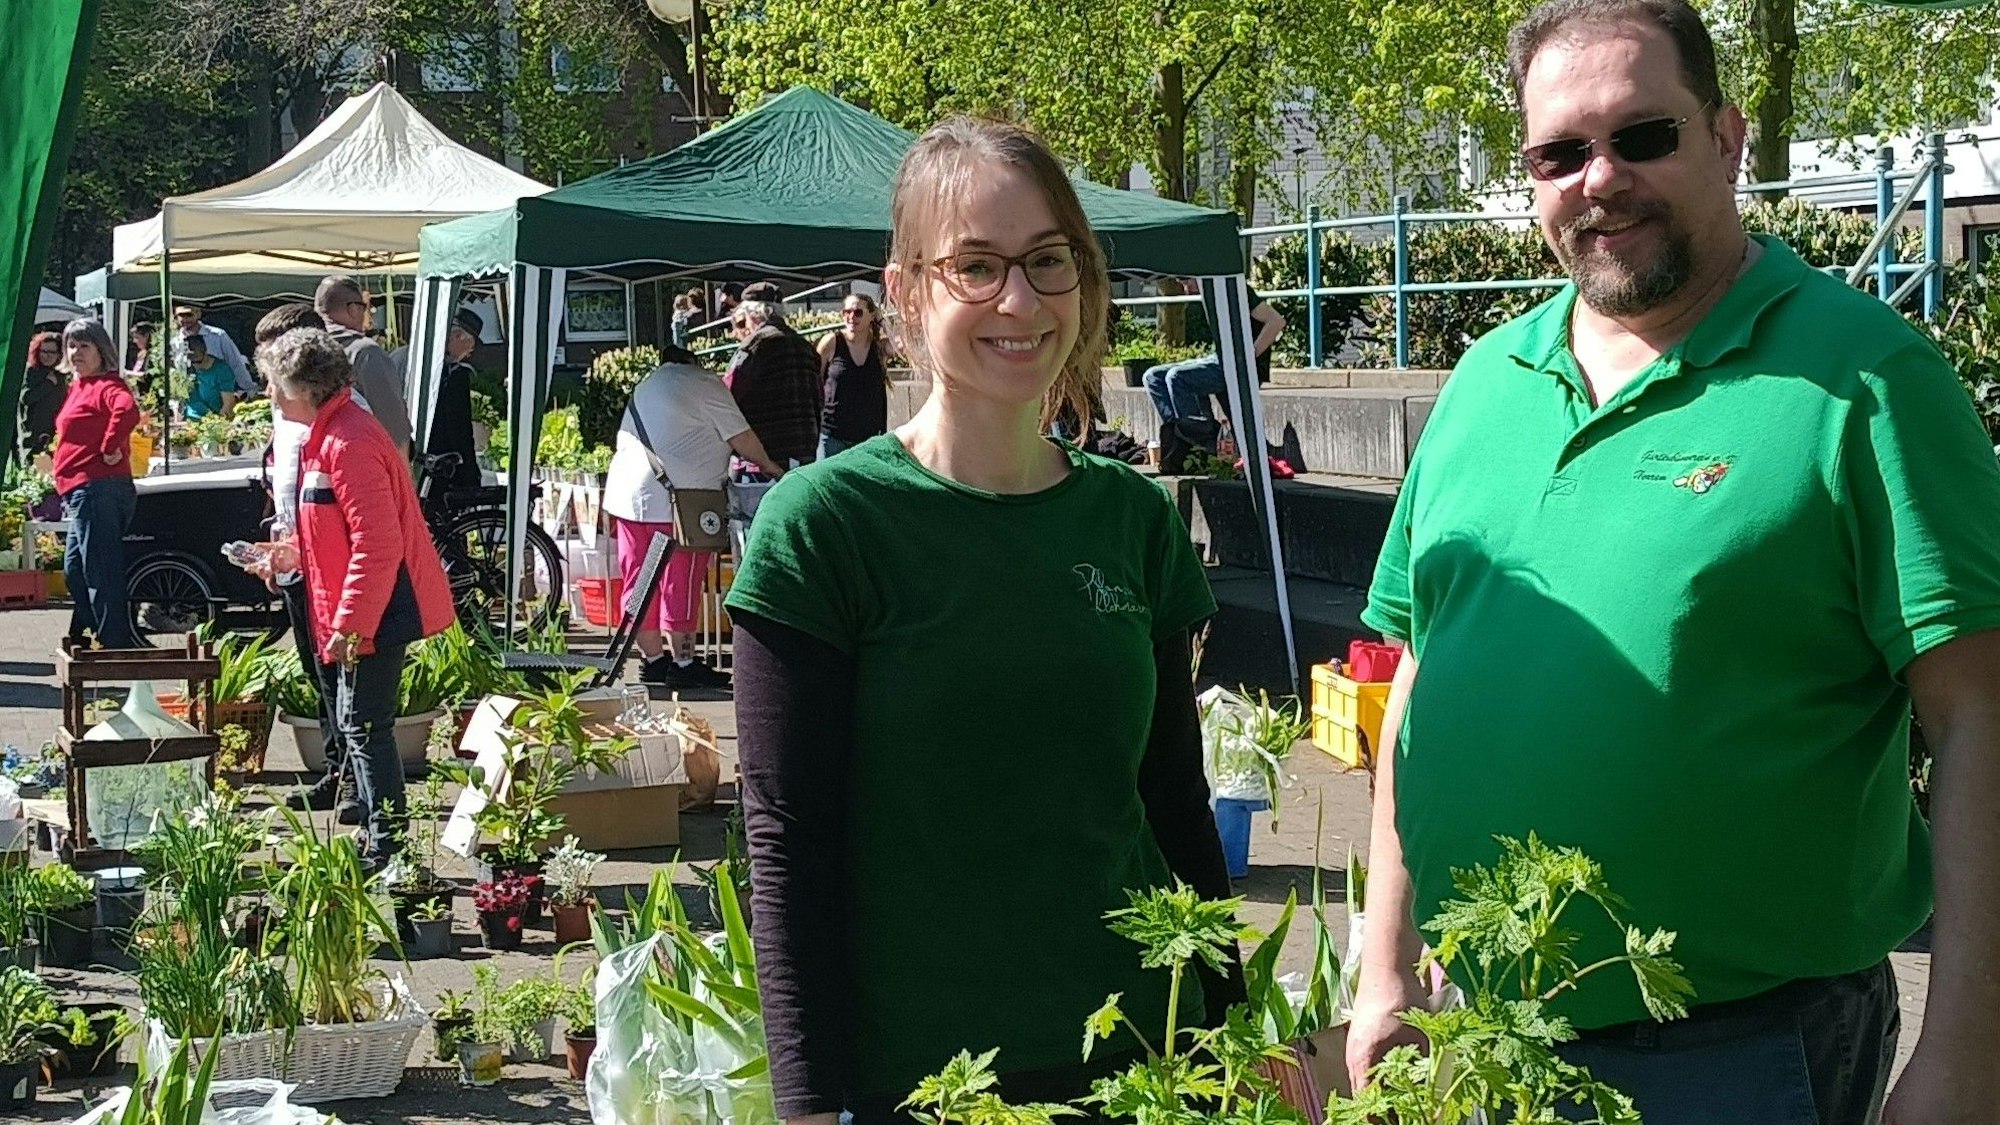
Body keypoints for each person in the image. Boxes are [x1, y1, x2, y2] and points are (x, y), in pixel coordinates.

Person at [1348, 3, 2000, 1123]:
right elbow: (1420, 673)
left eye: (1642, 136)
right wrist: (1384, 970)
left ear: (1728, 138)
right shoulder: (1485, 381)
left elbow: (1979, 717)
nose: (1599, 179)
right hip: (1481, 1036)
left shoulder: (1867, 382)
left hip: (1737, 1055)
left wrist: (1968, 1057)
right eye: (1559, 153)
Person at [726, 117, 1240, 1125]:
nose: (1020, 300)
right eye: (976, 266)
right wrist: (805, 1102)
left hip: (1138, 1059)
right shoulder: (826, 523)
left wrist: (1223, 1034)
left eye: (1049, 259)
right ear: (907, 290)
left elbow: (1174, 798)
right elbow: (787, 837)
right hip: (925, 1080)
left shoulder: (1130, 517)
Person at [254, 328, 453, 864]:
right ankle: (378, 836)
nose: (268, 394)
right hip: (360, 604)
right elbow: (337, 532)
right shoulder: (331, 435)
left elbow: (378, 543)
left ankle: (387, 846)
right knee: (358, 724)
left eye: (273, 384)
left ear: (303, 388)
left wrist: (351, 624)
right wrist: (290, 554)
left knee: (365, 727)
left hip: (376, 606)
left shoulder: (349, 442)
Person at [602, 344, 785, 690]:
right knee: (681, 581)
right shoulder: (704, 382)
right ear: (693, 363)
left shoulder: (646, 385)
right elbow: (742, 437)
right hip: (680, 500)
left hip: (626, 495)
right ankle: (683, 663)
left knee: (639, 580)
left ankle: (653, 660)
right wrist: (771, 467)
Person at [52, 319, 141, 649]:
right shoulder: (79, 386)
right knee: (75, 571)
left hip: (98, 488)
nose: (75, 352)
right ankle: (100, 637)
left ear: (101, 350)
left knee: (100, 572)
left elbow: (127, 410)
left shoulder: (107, 385)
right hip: (81, 490)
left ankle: (115, 648)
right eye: (71, 345)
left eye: (84, 345)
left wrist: (109, 446)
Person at [1142, 289, 1284, 473]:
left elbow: (1276, 321)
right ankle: (1179, 440)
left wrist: (1248, 356)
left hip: (1240, 363)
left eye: (1186, 281)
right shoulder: (1210, 293)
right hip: (1219, 357)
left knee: (1177, 377)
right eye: (1180, 282)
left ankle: (1201, 447)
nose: (1184, 287)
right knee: (1153, 377)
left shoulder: (1233, 288)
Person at [315, 275, 412, 456]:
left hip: (315, 460)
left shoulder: (303, 350)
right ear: (353, 309)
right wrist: (404, 469)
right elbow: (393, 427)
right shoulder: (365, 352)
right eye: (364, 307)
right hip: (362, 459)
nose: (368, 315)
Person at [724, 300, 822, 471]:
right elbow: (819, 396)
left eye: (741, 323)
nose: (737, 333)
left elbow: (728, 397)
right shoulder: (805, 346)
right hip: (805, 447)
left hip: (764, 456)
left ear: (754, 316)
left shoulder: (755, 346)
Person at [815, 292, 889, 459]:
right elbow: (814, 379)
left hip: (868, 437)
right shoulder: (832, 342)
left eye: (858, 313)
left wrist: (882, 321)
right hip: (832, 435)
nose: (851, 317)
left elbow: (903, 343)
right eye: (846, 312)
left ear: (871, 316)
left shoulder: (879, 346)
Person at [426, 308, 486, 489]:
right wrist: (470, 471)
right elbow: (460, 427)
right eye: (471, 346)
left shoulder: (417, 358)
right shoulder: (455, 375)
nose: (469, 354)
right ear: (458, 336)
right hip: (445, 466)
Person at [168, 304, 253, 395]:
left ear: (198, 314)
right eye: (181, 315)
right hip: (191, 395)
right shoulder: (174, 342)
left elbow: (235, 362)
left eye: (189, 315)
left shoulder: (218, 336)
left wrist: (248, 389)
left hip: (221, 393)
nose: (185, 319)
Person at [19, 331, 67, 459]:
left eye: (52, 352)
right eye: (43, 351)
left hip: (55, 434)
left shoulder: (61, 374)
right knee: (38, 467)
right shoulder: (31, 371)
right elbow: (26, 398)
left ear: (59, 354)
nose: (47, 356)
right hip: (33, 436)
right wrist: (48, 384)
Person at [178, 334, 238, 420]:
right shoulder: (187, 369)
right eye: (190, 361)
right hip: (189, 420)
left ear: (205, 352)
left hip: (214, 420)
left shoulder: (222, 370)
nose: (194, 365)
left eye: (197, 360)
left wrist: (217, 422)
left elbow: (228, 405)